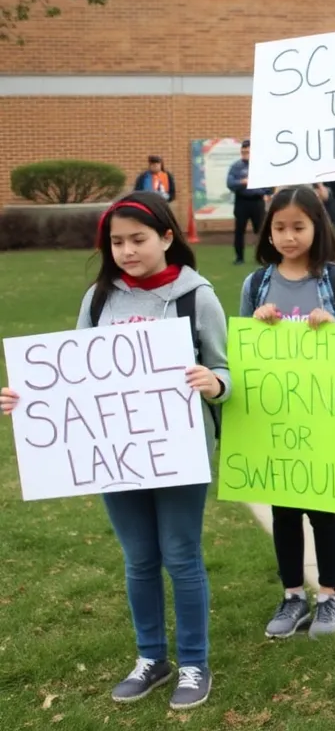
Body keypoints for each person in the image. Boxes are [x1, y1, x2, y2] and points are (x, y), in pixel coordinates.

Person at [1, 192, 229, 709]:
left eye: (137, 239)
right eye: (116, 242)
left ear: (167, 237)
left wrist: (215, 383)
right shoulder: (99, 298)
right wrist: (29, 398)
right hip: (115, 456)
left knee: (181, 556)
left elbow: (224, 368)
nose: (126, 251)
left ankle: (194, 662)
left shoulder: (197, 297)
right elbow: (73, 374)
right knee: (139, 559)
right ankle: (152, 658)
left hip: (177, 454)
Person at [238, 187, 335, 639]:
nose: (289, 237)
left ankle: (328, 595)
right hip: (276, 418)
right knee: (283, 510)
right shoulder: (256, 285)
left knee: (323, 509)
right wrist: (257, 325)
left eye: (298, 227)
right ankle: (292, 596)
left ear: (317, 228)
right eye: (280, 227)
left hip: (324, 415)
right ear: (268, 232)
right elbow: (242, 352)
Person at [227, 140, 272, 265]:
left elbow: (268, 184)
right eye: (243, 151)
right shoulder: (236, 167)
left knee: (261, 231)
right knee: (239, 231)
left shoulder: (260, 166)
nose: (245, 153)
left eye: (247, 151)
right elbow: (230, 183)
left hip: (257, 201)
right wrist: (242, 182)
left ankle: (264, 257)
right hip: (242, 201)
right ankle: (239, 258)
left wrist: (267, 193)